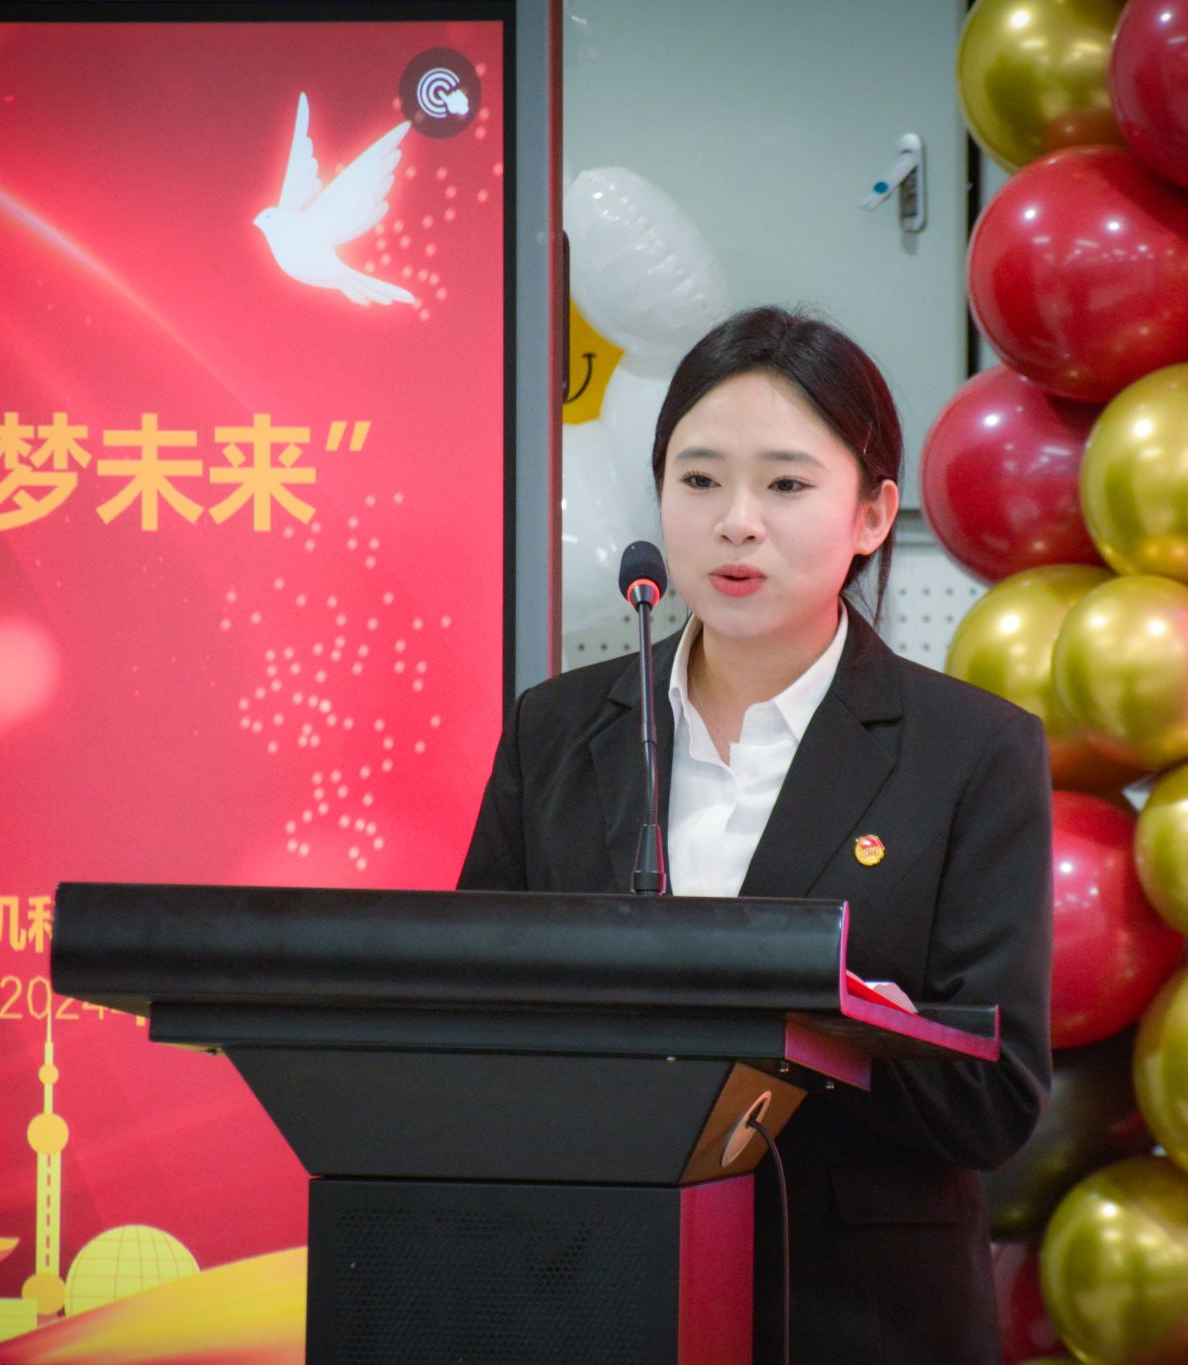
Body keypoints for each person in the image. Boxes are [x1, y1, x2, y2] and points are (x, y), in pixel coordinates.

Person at [458, 305, 1052, 1363]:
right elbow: (468, 1017)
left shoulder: (971, 750)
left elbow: (994, 1097)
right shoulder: (556, 731)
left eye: (784, 485)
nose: (736, 523)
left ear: (871, 514)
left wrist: (827, 1019)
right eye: (698, 480)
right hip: (588, 1294)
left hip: (855, 1316)